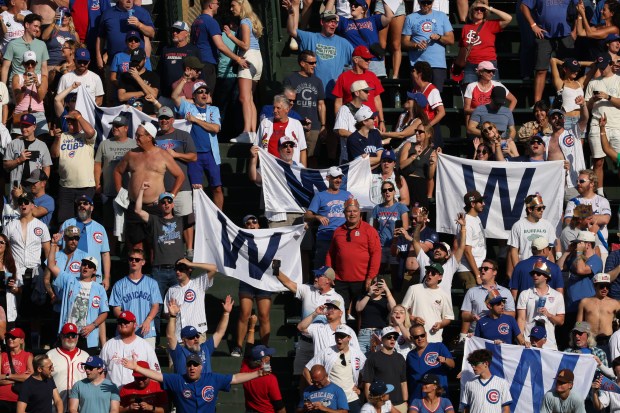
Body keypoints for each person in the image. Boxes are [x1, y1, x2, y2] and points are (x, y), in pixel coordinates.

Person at [113, 122, 185, 250]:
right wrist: (120, 190)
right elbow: (118, 171)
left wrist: (171, 195)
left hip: (156, 207)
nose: (136, 138)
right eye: (136, 135)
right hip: (135, 206)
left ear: (149, 137)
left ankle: (154, 270)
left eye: (139, 135)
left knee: (154, 246)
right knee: (135, 245)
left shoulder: (163, 155)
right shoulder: (131, 154)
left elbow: (180, 176)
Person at [121, 353, 269, 413]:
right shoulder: (178, 380)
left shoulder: (212, 378)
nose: (192, 367)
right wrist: (137, 367)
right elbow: (158, 376)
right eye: (189, 365)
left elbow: (235, 378)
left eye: (195, 365)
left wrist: (258, 373)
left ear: (201, 367)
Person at [273, 265, 345, 376]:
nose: (315, 278)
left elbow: (341, 324)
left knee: (322, 376)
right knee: (300, 376)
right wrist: (277, 271)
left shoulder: (337, 298)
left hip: (324, 345)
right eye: (315, 275)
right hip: (305, 343)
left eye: (319, 276)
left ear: (328, 280)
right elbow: (288, 283)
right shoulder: (307, 289)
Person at [326, 198, 381, 320]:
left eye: (355, 211)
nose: (352, 214)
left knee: (361, 312)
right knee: (339, 311)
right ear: (344, 213)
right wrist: (329, 275)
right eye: (349, 211)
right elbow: (330, 253)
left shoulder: (369, 230)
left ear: (359, 212)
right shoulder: (338, 231)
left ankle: (359, 337)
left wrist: (370, 277)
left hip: (362, 280)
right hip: (340, 280)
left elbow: (376, 254)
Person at [283, 3, 353, 99]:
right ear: (322, 22)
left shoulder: (344, 43)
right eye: (329, 21)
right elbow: (291, 31)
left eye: (335, 22)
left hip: (335, 94)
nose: (333, 24)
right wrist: (291, 14)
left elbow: (356, 61)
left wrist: (345, 79)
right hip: (313, 93)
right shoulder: (310, 37)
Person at [172, 81, 223, 209]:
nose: (204, 94)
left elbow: (216, 128)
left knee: (217, 188)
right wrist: (184, 79)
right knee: (197, 189)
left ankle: (220, 217)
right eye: (200, 92)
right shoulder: (188, 107)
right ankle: (199, 219)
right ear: (194, 95)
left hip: (211, 154)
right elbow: (174, 97)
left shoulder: (213, 109)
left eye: (206, 91)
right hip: (194, 155)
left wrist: (195, 120)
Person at [49, 253, 109, 351]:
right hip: (69, 332)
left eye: (90, 266)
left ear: (94, 271)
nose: (86, 267)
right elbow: (51, 265)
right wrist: (53, 244)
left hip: (87, 335)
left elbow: (104, 313)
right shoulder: (69, 280)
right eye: (84, 264)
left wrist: (92, 326)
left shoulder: (99, 288)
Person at [94, 114, 136, 252]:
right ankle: (110, 255)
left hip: (130, 193)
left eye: (118, 126)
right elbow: (98, 165)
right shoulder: (105, 144)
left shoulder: (134, 144)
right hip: (109, 192)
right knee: (109, 226)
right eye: (114, 126)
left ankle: (130, 254)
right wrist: (97, 184)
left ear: (126, 128)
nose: (115, 128)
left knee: (130, 227)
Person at [520, 0, 576, 103]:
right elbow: (523, 6)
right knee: (541, 70)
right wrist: (533, 25)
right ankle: (537, 105)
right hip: (544, 35)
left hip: (566, 35)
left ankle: (567, 101)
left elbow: (579, 6)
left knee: (567, 70)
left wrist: (575, 31)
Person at [224, 0, 263, 140]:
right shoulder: (249, 21)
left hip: (248, 57)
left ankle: (246, 132)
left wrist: (230, 36)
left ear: (241, 5)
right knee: (250, 99)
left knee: (244, 98)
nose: (231, 8)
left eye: (233, 5)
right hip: (257, 59)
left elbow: (245, 45)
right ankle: (252, 133)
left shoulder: (245, 21)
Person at [305, 325, 366, 413]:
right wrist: (315, 387)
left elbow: (366, 372)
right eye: (337, 336)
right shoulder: (327, 352)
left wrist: (361, 388)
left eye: (342, 336)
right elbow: (306, 369)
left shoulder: (357, 353)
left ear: (349, 338)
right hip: (332, 399)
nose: (338, 339)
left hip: (351, 398)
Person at [50, 109, 97, 224]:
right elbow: (54, 154)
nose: (69, 122)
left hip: (85, 185)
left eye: (72, 120)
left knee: (84, 218)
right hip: (66, 186)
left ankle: (82, 241)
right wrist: (56, 138)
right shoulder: (63, 136)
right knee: (64, 220)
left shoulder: (85, 137)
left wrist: (79, 117)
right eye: (68, 120)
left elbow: (91, 132)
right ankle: (66, 241)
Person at [190, 0, 248, 91]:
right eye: (217, 4)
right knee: (206, 96)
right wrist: (238, 59)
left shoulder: (196, 22)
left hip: (196, 63)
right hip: (207, 64)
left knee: (197, 94)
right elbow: (220, 45)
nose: (218, 6)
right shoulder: (211, 21)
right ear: (211, 5)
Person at [166, 294, 232, 374]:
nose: (196, 339)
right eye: (191, 337)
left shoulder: (205, 348)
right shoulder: (179, 352)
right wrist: (173, 316)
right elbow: (170, 336)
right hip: (186, 386)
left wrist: (226, 313)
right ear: (184, 340)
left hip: (205, 386)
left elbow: (219, 333)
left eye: (197, 336)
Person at [110, 248, 162, 346]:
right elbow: (116, 309)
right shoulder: (119, 284)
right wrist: (127, 320)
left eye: (137, 260)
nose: (134, 261)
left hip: (146, 331)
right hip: (125, 333)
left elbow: (155, 306)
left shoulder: (152, 283)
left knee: (147, 361)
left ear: (143, 262)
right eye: (131, 259)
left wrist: (148, 320)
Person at [584, 53, 620, 194]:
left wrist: (608, 97)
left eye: (604, 66)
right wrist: (593, 100)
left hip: (617, 125)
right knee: (598, 162)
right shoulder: (593, 83)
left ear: (611, 64)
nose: (602, 69)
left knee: (619, 162)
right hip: (597, 125)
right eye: (600, 67)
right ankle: (599, 194)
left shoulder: (618, 80)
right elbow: (586, 108)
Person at [283, 50, 325, 167]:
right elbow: (286, 102)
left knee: (312, 157)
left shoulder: (318, 81)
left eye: (315, 62)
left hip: (314, 127)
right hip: (295, 125)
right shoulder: (291, 79)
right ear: (302, 63)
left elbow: (321, 104)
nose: (314, 65)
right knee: (294, 156)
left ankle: (310, 183)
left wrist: (323, 125)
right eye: (311, 63)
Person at [58, 195, 111, 288]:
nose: (82, 206)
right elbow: (57, 248)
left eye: (85, 203)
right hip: (69, 276)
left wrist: (106, 277)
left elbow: (105, 254)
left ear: (92, 207)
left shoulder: (100, 228)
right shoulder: (67, 224)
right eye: (79, 204)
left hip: (93, 277)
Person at [401, 0, 454, 92]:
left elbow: (451, 39)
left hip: (437, 64)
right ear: (418, 2)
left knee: (435, 96)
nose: (426, 5)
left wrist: (439, 37)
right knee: (418, 97)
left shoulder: (442, 16)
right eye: (423, 2)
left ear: (432, 2)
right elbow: (404, 42)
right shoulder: (410, 18)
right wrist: (415, 45)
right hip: (418, 64)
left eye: (428, 3)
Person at [305, 166, 353, 267]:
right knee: (322, 270)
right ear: (328, 178)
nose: (338, 180)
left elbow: (356, 213)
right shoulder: (319, 196)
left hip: (344, 237)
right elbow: (307, 215)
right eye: (335, 177)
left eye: (340, 177)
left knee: (343, 268)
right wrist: (317, 217)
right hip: (325, 238)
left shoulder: (348, 195)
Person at [100, 310, 160, 388]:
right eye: (120, 322)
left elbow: (155, 374)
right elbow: (101, 372)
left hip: (135, 393)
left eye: (126, 322)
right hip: (112, 394)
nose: (122, 324)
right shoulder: (108, 345)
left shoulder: (145, 346)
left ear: (135, 325)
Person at [163, 258, 218, 344]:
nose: (178, 272)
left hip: (197, 336)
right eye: (176, 269)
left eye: (181, 269)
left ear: (189, 269)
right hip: (178, 337)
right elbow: (166, 313)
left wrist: (191, 264)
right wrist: (173, 313)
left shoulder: (198, 283)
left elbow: (214, 268)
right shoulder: (171, 290)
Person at [460, 258, 516, 341]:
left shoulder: (505, 292)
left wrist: (495, 312)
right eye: (481, 269)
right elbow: (464, 315)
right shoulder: (472, 291)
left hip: (499, 334)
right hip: (476, 335)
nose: (482, 271)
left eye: (486, 268)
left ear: (494, 272)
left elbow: (512, 314)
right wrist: (473, 316)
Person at [331, 45, 386, 130]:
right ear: (356, 60)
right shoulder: (343, 77)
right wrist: (339, 122)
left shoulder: (372, 76)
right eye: (366, 59)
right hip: (351, 122)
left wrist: (382, 121)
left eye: (370, 59)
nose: (369, 61)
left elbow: (377, 99)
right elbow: (338, 102)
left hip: (370, 121)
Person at [516, 258, 565, 349]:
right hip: (529, 341)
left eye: (538, 273)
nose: (535, 275)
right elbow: (521, 319)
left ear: (546, 276)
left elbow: (561, 321)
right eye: (533, 273)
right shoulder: (525, 294)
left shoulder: (557, 295)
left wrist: (549, 315)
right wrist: (521, 341)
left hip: (549, 343)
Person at [460, 2, 513, 84]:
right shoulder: (466, 28)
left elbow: (508, 18)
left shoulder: (490, 25)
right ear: (471, 11)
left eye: (482, 9)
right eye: (476, 9)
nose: (479, 11)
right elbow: (462, 47)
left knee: (491, 92)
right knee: (470, 93)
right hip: (470, 65)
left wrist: (489, 8)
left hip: (488, 64)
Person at [507, 194, 558, 277]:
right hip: (526, 269)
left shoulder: (548, 225)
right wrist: (518, 270)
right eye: (539, 208)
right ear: (530, 209)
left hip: (544, 270)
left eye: (543, 208)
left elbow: (551, 252)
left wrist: (552, 271)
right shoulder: (518, 225)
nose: (542, 210)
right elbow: (514, 251)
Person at [545, 105, 588, 201]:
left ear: (564, 119)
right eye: (554, 117)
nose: (557, 119)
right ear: (549, 121)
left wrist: (583, 105)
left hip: (572, 184)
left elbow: (585, 118)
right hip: (553, 185)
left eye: (559, 117)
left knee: (577, 214)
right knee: (555, 216)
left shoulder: (573, 132)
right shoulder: (545, 140)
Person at [96, 0, 154, 70]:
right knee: (112, 80)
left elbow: (151, 33)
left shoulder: (142, 12)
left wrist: (139, 25)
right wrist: (99, 58)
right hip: (114, 63)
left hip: (138, 64)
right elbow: (100, 37)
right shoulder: (107, 13)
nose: (129, 1)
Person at [361, 327, 407, 412]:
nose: (392, 339)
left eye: (395, 337)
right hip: (380, 405)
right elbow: (368, 383)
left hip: (399, 404)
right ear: (382, 339)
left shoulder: (400, 358)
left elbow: (403, 382)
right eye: (389, 337)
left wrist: (405, 401)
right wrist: (372, 404)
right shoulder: (372, 358)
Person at [46, 323, 89, 411]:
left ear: (77, 337)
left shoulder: (85, 356)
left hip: (79, 406)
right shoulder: (50, 355)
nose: (70, 338)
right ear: (61, 336)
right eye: (67, 335)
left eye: (73, 335)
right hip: (55, 406)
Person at [405, 324, 454, 401]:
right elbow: (408, 377)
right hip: (417, 397)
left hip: (437, 396)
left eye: (422, 335)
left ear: (426, 334)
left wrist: (445, 360)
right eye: (416, 337)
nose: (420, 338)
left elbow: (452, 364)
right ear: (411, 338)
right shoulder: (410, 355)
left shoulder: (438, 347)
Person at [256, 94, 307, 165]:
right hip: (269, 168)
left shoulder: (296, 124)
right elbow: (256, 148)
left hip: (290, 170)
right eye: (274, 108)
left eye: (278, 108)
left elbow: (302, 150)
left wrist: (303, 172)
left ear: (287, 109)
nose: (275, 110)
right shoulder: (265, 123)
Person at [577, 272, 620, 355]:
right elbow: (579, 323)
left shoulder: (615, 303)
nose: (605, 289)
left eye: (607, 287)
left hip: (608, 340)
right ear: (595, 286)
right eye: (601, 286)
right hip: (590, 340)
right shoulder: (585, 302)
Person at [3, 113, 52, 186]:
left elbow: (46, 167)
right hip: (17, 186)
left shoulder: (42, 145)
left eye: (27, 126)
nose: (24, 129)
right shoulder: (13, 143)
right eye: (22, 126)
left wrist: (42, 184)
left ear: (34, 127)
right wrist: (18, 160)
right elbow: (5, 165)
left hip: (35, 187)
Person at [463, 62, 517, 128]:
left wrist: (506, 114)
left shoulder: (498, 85)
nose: (491, 73)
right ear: (480, 72)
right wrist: (483, 112)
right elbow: (466, 110)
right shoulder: (471, 86)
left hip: (495, 125)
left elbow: (514, 100)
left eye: (493, 71)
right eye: (488, 71)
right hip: (477, 124)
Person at [509, 237, 564, 301]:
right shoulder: (555, 267)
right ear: (544, 250)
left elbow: (514, 293)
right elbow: (559, 293)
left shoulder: (520, 266)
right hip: (549, 309)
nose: (550, 251)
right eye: (549, 248)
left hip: (524, 308)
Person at [1, 14, 49, 86]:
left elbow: (44, 68)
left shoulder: (42, 45)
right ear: (27, 25)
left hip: (35, 84)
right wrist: (2, 88)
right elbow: (5, 67)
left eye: (39, 27)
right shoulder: (13, 44)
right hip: (17, 85)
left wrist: (44, 86)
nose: (38, 29)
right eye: (35, 26)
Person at [159, 21, 200, 102]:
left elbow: (200, 74)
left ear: (186, 33)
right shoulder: (166, 49)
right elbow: (160, 71)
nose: (174, 33)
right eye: (173, 31)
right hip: (167, 96)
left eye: (178, 31)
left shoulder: (193, 50)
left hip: (186, 97)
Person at [333, 81, 373, 163]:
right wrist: (359, 137)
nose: (368, 93)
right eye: (365, 91)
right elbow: (341, 131)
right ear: (357, 93)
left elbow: (372, 129)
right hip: (348, 157)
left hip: (366, 156)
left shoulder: (367, 109)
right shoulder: (344, 109)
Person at [239, 344, 285, 413]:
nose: (271, 357)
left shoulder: (244, 370)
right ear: (264, 359)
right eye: (269, 355)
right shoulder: (270, 378)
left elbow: (247, 357)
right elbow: (279, 406)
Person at [11, 50, 48, 137]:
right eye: (27, 63)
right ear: (23, 64)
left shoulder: (42, 78)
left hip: (38, 114)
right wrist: (23, 88)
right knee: (18, 142)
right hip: (21, 113)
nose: (30, 66)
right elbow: (17, 100)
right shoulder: (17, 77)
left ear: (36, 64)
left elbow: (41, 97)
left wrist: (37, 85)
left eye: (32, 63)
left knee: (42, 140)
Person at [455, 190, 487, 290]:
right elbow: (467, 251)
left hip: (477, 267)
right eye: (481, 202)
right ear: (473, 204)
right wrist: (477, 275)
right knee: (473, 302)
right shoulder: (467, 222)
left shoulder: (476, 218)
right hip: (469, 270)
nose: (483, 204)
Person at [355, 277, 396, 354]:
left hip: (380, 333)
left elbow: (394, 308)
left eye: (380, 285)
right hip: (364, 333)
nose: (377, 287)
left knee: (379, 360)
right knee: (362, 360)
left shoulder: (386, 300)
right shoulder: (363, 297)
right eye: (375, 284)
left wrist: (387, 290)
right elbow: (358, 308)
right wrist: (369, 294)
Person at [117, 48, 160, 116]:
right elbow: (121, 97)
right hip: (129, 113)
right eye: (134, 61)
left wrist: (137, 77)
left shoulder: (153, 76)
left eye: (138, 61)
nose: (136, 63)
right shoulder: (124, 76)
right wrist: (143, 92)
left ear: (145, 60)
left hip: (147, 113)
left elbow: (154, 95)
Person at [0, 328, 33, 413]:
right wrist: (20, 378)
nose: (10, 339)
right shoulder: (2, 356)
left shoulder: (28, 356)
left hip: (21, 400)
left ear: (21, 340)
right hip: (2, 399)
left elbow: (30, 378)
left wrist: (6, 376)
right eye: (8, 337)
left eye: (13, 337)